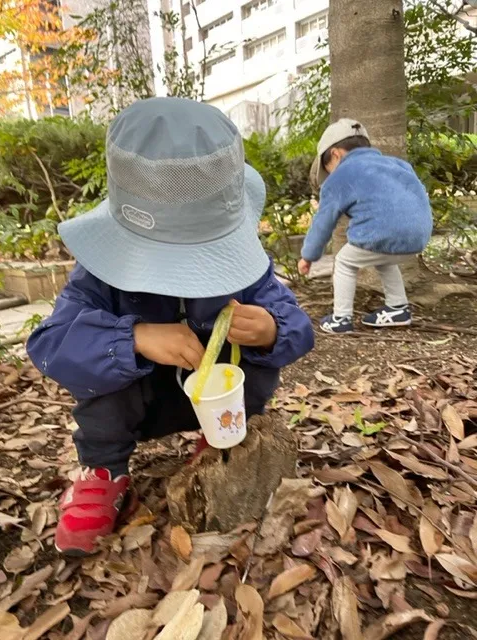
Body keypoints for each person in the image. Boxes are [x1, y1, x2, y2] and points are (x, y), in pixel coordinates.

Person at [27, 98, 314, 557]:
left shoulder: (248, 275)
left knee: (257, 362)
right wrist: (134, 338)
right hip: (137, 401)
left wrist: (272, 330)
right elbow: (51, 344)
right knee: (101, 360)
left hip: (213, 404)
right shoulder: (100, 275)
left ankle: (218, 443)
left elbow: (298, 325)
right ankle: (104, 473)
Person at [298, 119, 433, 334]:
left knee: (344, 262)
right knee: (383, 259)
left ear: (335, 154)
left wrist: (308, 256)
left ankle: (341, 318)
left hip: (381, 233)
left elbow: (323, 222)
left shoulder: (341, 175)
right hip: (419, 235)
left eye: (327, 167)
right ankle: (398, 307)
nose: (330, 173)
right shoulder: (397, 164)